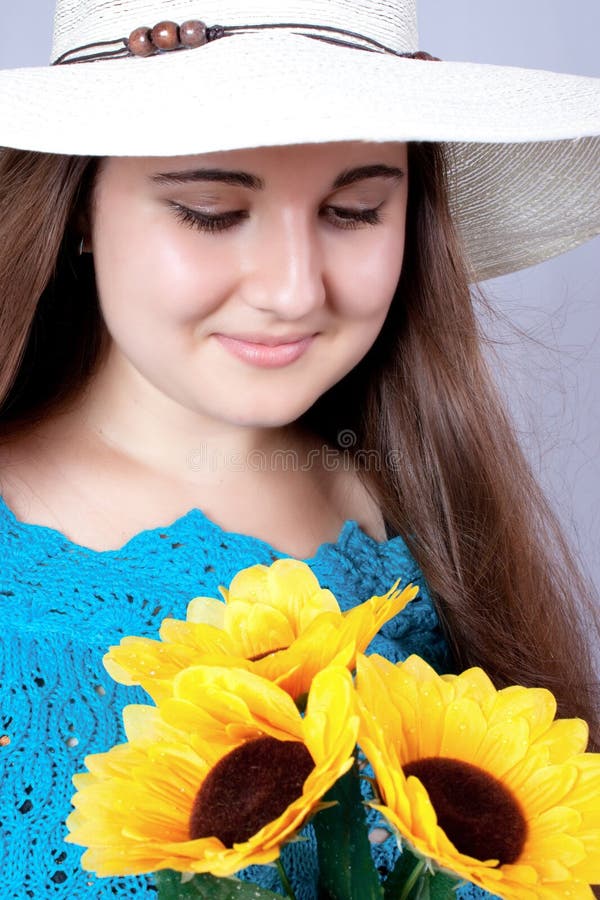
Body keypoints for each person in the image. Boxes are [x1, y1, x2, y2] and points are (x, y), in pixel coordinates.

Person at [0, 1, 599, 897]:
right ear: (79, 205)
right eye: (210, 213)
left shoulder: (429, 523)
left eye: (355, 211)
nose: (292, 290)